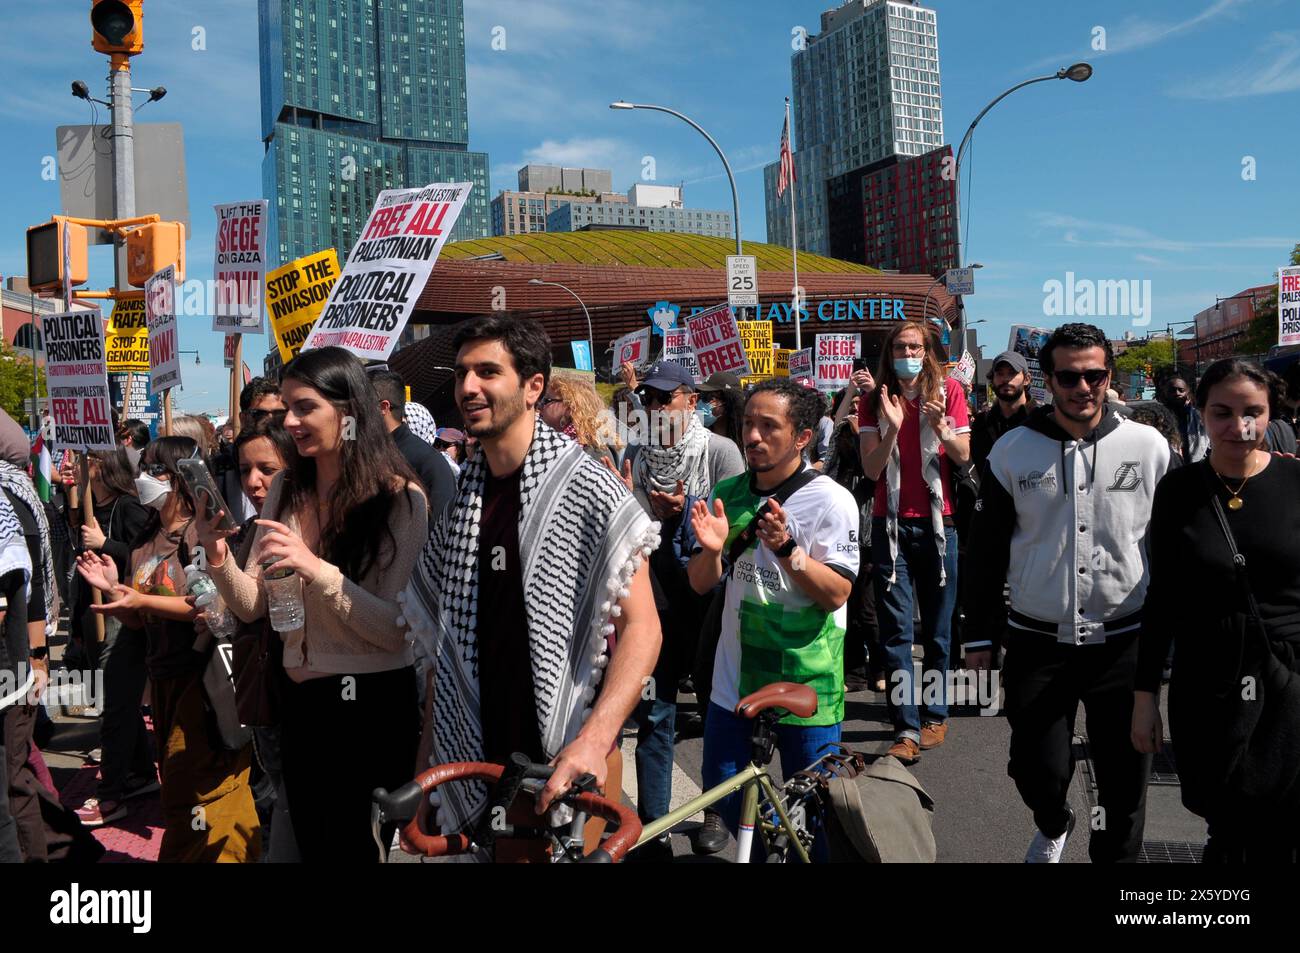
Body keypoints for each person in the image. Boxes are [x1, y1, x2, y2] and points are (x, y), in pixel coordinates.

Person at [402, 316, 661, 862]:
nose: (468, 387)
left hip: (566, 761)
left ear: (533, 387)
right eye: (462, 374)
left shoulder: (588, 487)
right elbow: (443, 654)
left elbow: (644, 627)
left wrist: (594, 737)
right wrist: (428, 763)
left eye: (488, 372)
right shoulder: (461, 502)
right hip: (478, 755)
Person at [197, 347, 429, 863]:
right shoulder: (285, 488)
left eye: (304, 408)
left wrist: (316, 567)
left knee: (350, 853)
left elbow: (395, 629)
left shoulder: (400, 499)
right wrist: (216, 555)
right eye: (285, 410)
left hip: (368, 709)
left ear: (348, 412)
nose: (291, 422)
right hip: (300, 708)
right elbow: (254, 604)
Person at [966, 323, 1170, 863]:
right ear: (1048, 380)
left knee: (1125, 786)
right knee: (1037, 769)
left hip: (1124, 644)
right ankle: (1054, 819)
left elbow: (1173, 547)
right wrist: (978, 637)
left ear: (1108, 377)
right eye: (1070, 376)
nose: (1084, 387)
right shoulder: (1012, 452)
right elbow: (985, 554)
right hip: (1037, 644)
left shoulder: (1147, 447)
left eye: (1096, 375)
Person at [1133, 359, 1300, 862]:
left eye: (1253, 412)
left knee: (1284, 826)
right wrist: (1145, 697)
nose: (1240, 427)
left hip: (1288, 682)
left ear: (1272, 415)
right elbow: (1161, 598)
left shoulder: (1296, 482)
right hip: (1208, 682)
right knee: (1224, 823)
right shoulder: (1179, 491)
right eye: (1223, 412)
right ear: (1201, 413)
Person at [689, 378, 860, 857]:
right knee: (726, 799)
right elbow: (701, 583)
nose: (753, 437)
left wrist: (788, 550)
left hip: (808, 685)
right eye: (748, 424)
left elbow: (837, 593)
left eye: (769, 427)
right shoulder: (727, 491)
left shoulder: (830, 499)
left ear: (802, 437)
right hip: (735, 682)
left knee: (818, 817)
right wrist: (711, 550)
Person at [76, 436, 260, 862]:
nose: (143, 479)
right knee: (179, 788)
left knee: (210, 789)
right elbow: (140, 620)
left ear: (181, 478)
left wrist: (139, 599)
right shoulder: (146, 534)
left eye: (155, 470)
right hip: (162, 680)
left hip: (203, 680)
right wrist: (118, 593)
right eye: (143, 468)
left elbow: (210, 603)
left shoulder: (200, 531)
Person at [616, 360, 744, 855]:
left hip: (709, 596)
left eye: (664, 398)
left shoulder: (719, 451)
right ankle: (654, 825)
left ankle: (715, 809)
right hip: (656, 597)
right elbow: (624, 524)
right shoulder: (634, 450)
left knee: (716, 708)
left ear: (691, 400)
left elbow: (735, 526)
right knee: (654, 711)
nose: (654, 407)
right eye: (647, 399)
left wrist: (690, 508)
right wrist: (640, 504)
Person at [859, 321, 970, 763]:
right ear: (890, 352)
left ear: (928, 352)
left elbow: (963, 457)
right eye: (901, 346)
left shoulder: (951, 393)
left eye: (916, 346)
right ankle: (905, 727)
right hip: (891, 529)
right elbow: (870, 471)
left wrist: (941, 428)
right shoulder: (875, 400)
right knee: (897, 634)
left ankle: (935, 715)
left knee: (939, 634)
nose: (909, 352)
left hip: (940, 526)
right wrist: (891, 428)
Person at [62, 449, 154, 828]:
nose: (74, 467)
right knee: (114, 700)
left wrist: (106, 544)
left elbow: (144, 559)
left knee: (115, 706)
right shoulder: (88, 507)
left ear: (102, 466)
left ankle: (111, 793)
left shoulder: (127, 507)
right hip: (93, 617)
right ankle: (142, 773)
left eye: (82, 461)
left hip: (121, 616)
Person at [226, 415, 301, 862]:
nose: (254, 482)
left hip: (313, 693)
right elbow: (250, 606)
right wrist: (218, 559)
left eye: (266, 470)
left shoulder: (319, 517)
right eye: (244, 471)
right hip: (266, 689)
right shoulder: (254, 528)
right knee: (274, 798)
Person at [958, 351, 1037, 667]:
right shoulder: (982, 424)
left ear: (1026, 379)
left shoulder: (1039, 422)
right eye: (1000, 374)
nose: (1006, 380)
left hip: (1031, 522)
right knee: (987, 599)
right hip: (989, 521)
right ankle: (986, 684)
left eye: (1012, 374)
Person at [370, 368, 457, 520]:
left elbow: (437, 528)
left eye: (359, 404)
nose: (352, 412)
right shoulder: (366, 454)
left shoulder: (429, 463)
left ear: (383, 407)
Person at [539, 372, 623, 467]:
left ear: (570, 407)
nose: (539, 406)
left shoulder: (595, 451)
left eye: (546, 401)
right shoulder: (550, 444)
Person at [1158, 375, 1208, 465]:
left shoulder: (1199, 415)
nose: (1177, 393)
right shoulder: (1159, 417)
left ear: (1187, 393)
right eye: (1172, 390)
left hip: (1197, 465)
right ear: (1165, 393)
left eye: (1181, 390)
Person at [696, 372, 746, 455]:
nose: (701, 402)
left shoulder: (746, 443)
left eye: (707, 397)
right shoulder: (695, 438)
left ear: (728, 402)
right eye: (700, 396)